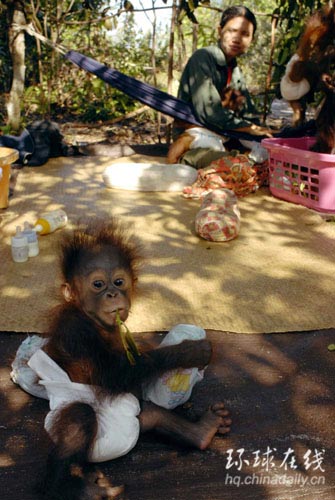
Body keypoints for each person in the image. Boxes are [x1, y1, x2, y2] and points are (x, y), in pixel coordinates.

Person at [168, 5, 273, 164]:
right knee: (234, 165)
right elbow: (209, 111)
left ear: (251, 40)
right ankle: (184, 153)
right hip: (197, 132)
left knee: (270, 153)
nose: (237, 39)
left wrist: (265, 133)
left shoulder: (235, 70)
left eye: (245, 34)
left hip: (224, 134)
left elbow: (248, 113)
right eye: (232, 31)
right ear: (220, 31)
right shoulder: (203, 58)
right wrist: (249, 128)